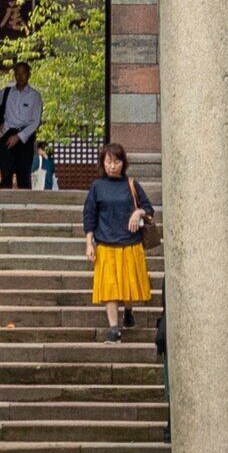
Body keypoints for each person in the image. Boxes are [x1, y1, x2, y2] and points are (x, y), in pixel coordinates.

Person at [77, 142, 152, 340]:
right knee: (110, 288)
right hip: (106, 243)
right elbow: (89, 216)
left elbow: (149, 209)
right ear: (103, 163)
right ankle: (113, 329)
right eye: (109, 161)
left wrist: (138, 212)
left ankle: (128, 310)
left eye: (117, 162)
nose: (112, 166)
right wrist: (89, 243)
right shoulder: (97, 187)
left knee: (128, 286)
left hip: (130, 243)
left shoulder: (132, 184)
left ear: (123, 163)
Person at [0, 63, 45, 188]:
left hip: (25, 137)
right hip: (7, 133)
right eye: (18, 73)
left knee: (24, 176)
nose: (20, 77)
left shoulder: (34, 96)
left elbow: (36, 122)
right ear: (14, 75)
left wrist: (19, 136)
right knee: (6, 175)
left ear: (29, 75)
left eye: (23, 73)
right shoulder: (6, 92)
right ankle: (5, 200)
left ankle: (24, 200)